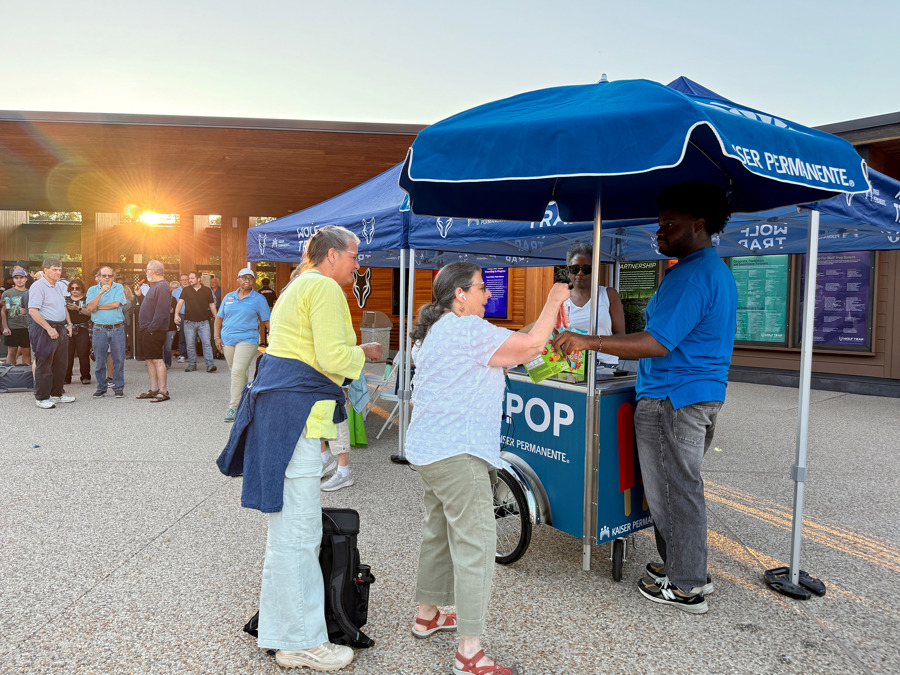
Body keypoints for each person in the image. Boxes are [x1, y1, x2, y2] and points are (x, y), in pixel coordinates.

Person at [554, 182, 737, 615]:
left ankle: (688, 585)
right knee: (678, 488)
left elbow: (657, 342)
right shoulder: (711, 270)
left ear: (700, 225)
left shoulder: (693, 275)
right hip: (697, 394)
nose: (661, 231)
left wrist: (589, 341)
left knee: (674, 492)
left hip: (673, 398)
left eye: (670, 223)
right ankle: (683, 565)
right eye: (660, 222)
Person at [218, 226, 382, 671]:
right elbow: (332, 358)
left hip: (281, 417)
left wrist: (351, 351)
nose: (357, 264)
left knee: (288, 534)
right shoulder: (325, 288)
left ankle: (281, 630)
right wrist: (361, 354)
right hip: (297, 421)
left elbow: (308, 351)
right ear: (331, 256)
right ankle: (299, 642)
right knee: (299, 535)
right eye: (354, 256)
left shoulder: (295, 286)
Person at [405, 262, 569, 675]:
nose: (488, 295)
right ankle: (470, 652)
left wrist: (543, 322)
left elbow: (521, 341)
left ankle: (427, 615)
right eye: (481, 288)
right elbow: (532, 347)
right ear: (459, 294)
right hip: (459, 454)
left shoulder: (435, 332)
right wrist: (553, 299)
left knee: (439, 531)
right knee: (476, 546)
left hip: (428, 451)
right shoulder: (468, 331)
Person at [214, 268, 270, 423]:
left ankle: (234, 407)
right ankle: (246, 402)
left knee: (237, 371)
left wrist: (275, 338)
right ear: (237, 279)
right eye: (244, 278)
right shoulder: (229, 297)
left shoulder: (258, 299)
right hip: (227, 340)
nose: (247, 281)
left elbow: (267, 322)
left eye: (251, 279)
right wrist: (216, 337)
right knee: (238, 372)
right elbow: (219, 319)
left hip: (248, 339)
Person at [564, 243, 625, 368]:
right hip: (573, 367)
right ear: (569, 271)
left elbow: (621, 336)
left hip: (605, 366)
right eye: (575, 269)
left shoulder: (608, 295)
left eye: (586, 269)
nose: (580, 273)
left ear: (596, 269)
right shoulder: (561, 299)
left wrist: (590, 343)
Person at [28, 258, 75, 409]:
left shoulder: (59, 286)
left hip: (61, 327)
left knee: (61, 364)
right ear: (45, 270)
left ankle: (56, 394)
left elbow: (64, 307)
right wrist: (49, 328)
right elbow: (33, 311)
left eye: (59, 269)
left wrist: (69, 324)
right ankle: (41, 398)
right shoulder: (38, 286)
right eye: (54, 269)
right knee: (45, 364)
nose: (58, 272)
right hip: (45, 329)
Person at [86, 266, 127, 398]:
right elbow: (90, 308)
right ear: (98, 277)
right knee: (99, 360)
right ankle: (101, 387)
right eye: (104, 275)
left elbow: (116, 304)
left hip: (117, 328)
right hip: (99, 329)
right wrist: (100, 293)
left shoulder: (119, 288)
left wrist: (99, 307)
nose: (107, 278)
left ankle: (118, 387)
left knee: (118, 359)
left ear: (113, 277)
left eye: (110, 276)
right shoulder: (92, 290)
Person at [137, 260, 172, 402]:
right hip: (149, 329)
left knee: (157, 360)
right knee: (149, 360)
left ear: (153, 271)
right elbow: (150, 305)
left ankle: (163, 391)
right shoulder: (155, 286)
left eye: (147, 270)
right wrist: (139, 296)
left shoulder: (162, 286)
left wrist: (151, 328)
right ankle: (154, 389)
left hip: (154, 330)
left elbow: (162, 312)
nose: (146, 273)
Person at [174, 271, 217, 373]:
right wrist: (176, 314)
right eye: (189, 278)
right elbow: (180, 303)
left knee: (206, 343)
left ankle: (210, 364)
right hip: (189, 322)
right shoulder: (186, 290)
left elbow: (211, 305)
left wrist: (216, 318)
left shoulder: (207, 290)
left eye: (192, 278)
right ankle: (192, 364)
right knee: (190, 344)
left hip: (204, 322)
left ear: (199, 279)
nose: (190, 280)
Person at [2, 267, 32, 366]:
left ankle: (26, 376)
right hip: (12, 326)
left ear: (26, 278)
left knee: (26, 351)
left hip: (27, 327)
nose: (19, 280)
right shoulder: (7, 293)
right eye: (16, 278)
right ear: (13, 279)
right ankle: (10, 375)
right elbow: (3, 311)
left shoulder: (31, 293)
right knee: (12, 351)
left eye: (21, 277)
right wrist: (5, 327)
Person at [64, 279, 92, 385]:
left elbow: (90, 314)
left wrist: (77, 308)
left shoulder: (87, 300)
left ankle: (85, 376)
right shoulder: (65, 300)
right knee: (68, 353)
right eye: (72, 288)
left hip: (82, 328)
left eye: (77, 288)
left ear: (82, 289)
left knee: (83, 353)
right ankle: (66, 377)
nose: (74, 290)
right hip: (68, 328)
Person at [172, 273, 189, 362]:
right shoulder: (175, 292)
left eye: (186, 279)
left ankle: (190, 354)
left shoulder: (193, 290)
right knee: (181, 335)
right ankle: (183, 354)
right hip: (181, 316)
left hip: (191, 315)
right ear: (180, 281)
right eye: (182, 280)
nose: (185, 281)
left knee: (191, 336)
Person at [163, 280, 180, 368]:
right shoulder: (159, 298)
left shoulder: (173, 299)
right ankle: (161, 364)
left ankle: (167, 364)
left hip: (170, 326)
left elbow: (171, 311)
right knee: (161, 347)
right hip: (160, 326)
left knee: (168, 347)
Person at [258, 277, 277, 346]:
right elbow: (275, 301)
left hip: (261, 309)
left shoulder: (259, 291)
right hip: (270, 308)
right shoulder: (272, 291)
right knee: (270, 325)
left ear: (262, 283)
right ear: (268, 283)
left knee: (262, 325)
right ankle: (271, 341)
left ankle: (262, 341)